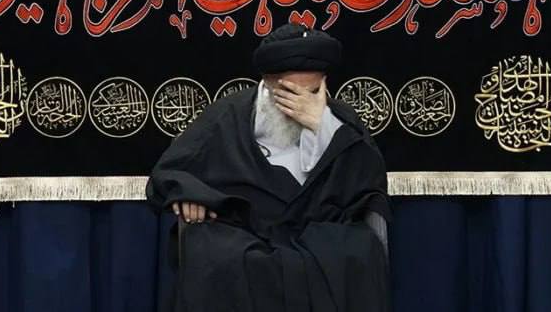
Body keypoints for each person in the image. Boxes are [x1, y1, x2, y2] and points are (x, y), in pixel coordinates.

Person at [146, 23, 391, 312]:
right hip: (245, 233)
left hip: (319, 233)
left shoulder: (339, 120)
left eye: (313, 93)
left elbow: (369, 182)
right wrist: (189, 193)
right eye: (290, 94)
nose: (302, 105)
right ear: (268, 84)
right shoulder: (229, 114)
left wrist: (323, 125)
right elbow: (170, 172)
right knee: (212, 254)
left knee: (358, 250)